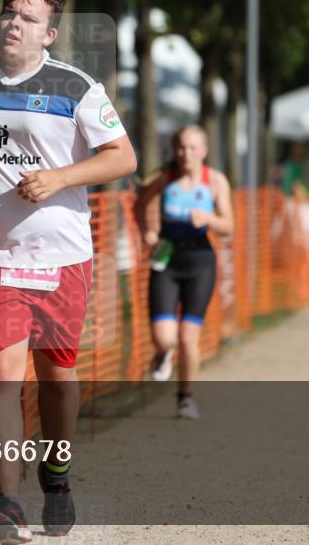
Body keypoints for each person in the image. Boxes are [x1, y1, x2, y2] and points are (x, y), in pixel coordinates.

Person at [0, 0, 136, 543]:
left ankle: (59, 474)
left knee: (58, 375)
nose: (14, 24)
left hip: (62, 253)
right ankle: (7, 499)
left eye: (28, 18)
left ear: (49, 34)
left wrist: (60, 178)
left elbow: (123, 158)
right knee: (0, 372)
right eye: (9, 13)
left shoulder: (76, 87)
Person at [133, 126, 234, 419]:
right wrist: (147, 233)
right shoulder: (165, 179)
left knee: (189, 337)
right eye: (180, 148)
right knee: (165, 338)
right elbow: (139, 205)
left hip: (201, 261)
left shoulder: (215, 181)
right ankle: (163, 353)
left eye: (192, 148)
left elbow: (230, 226)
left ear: (204, 151)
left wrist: (210, 219)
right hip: (167, 259)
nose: (185, 154)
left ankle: (185, 398)